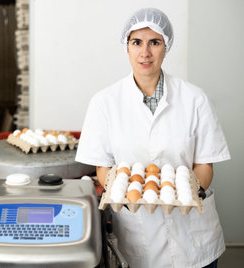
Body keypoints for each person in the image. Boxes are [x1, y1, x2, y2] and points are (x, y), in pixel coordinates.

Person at [75, 8, 230, 268]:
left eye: (154, 43)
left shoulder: (195, 99)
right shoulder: (104, 102)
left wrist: (185, 193)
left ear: (166, 47)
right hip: (138, 240)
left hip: (193, 240)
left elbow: (205, 163)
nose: (145, 53)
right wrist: (126, 191)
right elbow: (103, 167)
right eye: (137, 42)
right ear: (127, 47)